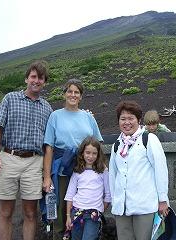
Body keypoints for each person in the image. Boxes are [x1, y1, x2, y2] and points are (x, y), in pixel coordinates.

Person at [0, 60, 53, 240]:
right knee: (6, 212)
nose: (36, 81)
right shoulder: (10, 98)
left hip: (34, 162)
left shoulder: (47, 108)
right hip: (8, 158)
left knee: (30, 213)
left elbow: (50, 141)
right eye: (33, 76)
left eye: (41, 78)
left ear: (44, 82)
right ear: (26, 78)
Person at [42, 78, 103, 238]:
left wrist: (102, 171)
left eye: (77, 92)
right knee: (61, 207)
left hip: (86, 169)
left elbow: (98, 144)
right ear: (64, 94)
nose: (73, 95)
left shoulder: (88, 117)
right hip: (63, 168)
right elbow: (49, 147)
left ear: (81, 96)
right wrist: (47, 177)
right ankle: (59, 235)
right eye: (70, 91)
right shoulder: (55, 116)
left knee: (84, 205)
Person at [109, 100, 169, 240]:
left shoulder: (149, 139)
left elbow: (160, 170)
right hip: (122, 207)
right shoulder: (117, 145)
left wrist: (163, 200)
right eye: (123, 119)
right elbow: (113, 175)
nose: (127, 122)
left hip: (144, 206)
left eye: (131, 118)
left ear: (139, 120)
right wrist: (114, 201)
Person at [64, 136, 111, 240]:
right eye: (88, 153)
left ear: (98, 154)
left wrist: (99, 210)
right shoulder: (77, 171)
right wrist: (68, 216)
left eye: (94, 153)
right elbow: (70, 195)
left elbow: (108, 195)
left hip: (93, 214)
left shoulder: (103, 171)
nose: (91, 156)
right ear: (82, 153)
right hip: (76, 212)